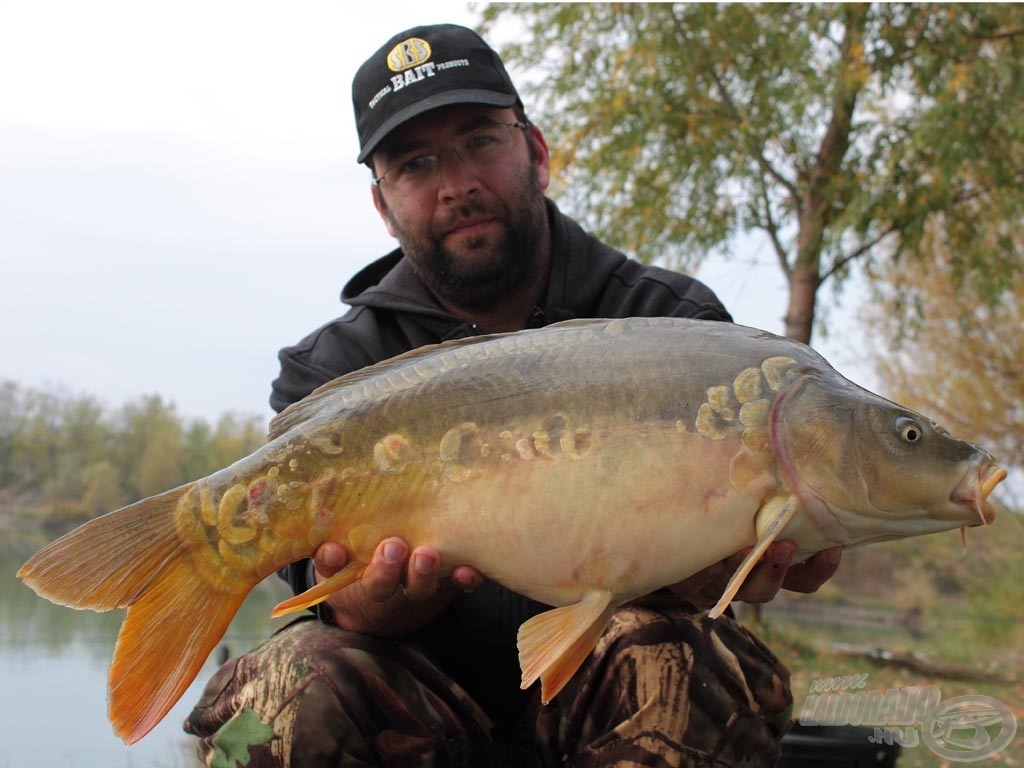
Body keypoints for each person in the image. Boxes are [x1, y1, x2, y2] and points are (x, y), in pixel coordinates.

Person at [184, 23, 841, 767]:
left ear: (536, 152)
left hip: (608, 700)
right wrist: (361, 601)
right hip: (418, 715)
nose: (457, 182)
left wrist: (736, 565)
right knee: (290, 680)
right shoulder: (332, 368)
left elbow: (719, 579)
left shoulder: (679, 332)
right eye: (417, 163)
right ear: (383, 202)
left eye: (479, 142)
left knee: (680, 654)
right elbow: (323, 596)